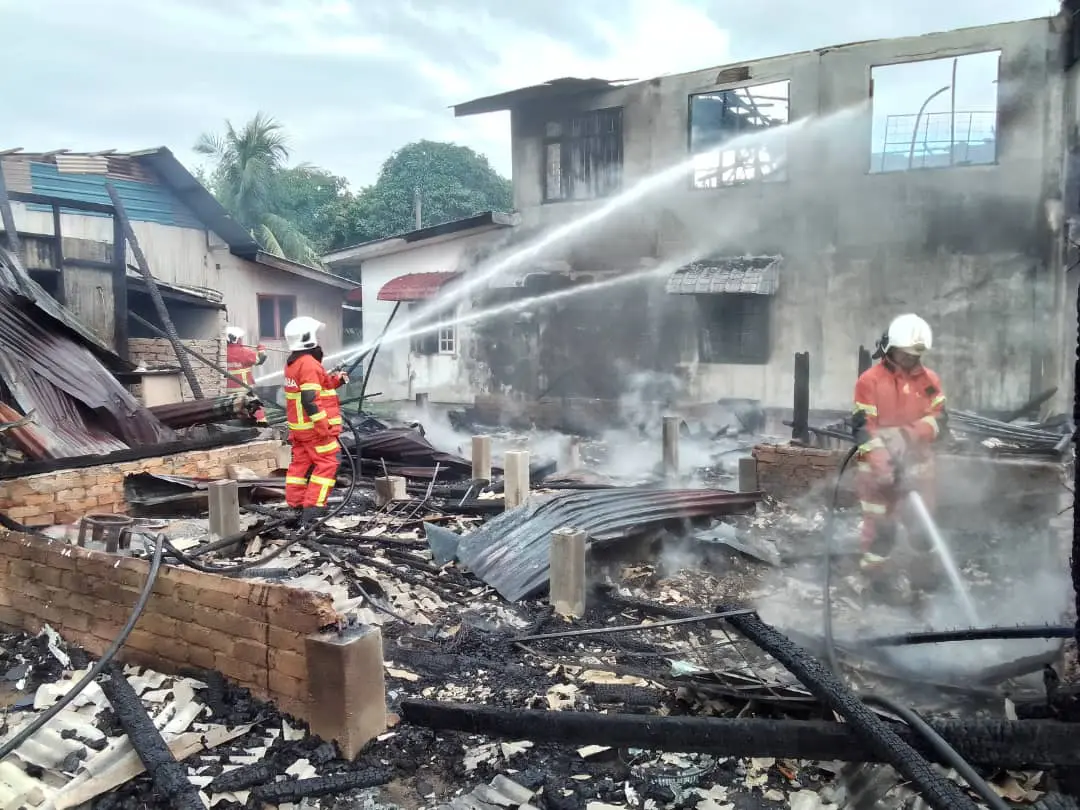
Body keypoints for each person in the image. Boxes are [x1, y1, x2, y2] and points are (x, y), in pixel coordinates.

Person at [851, 313, 947, 592]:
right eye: (906, 355)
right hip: (879, 472)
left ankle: (923, 582)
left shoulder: (929, 381)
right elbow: (863, 430)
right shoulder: (869, 381)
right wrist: (884, 466)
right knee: (882, 530)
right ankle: (875, 580)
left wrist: (908, 433)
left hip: (918, 469)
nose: (912, 361)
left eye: (917, 355)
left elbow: (940, 420)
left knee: (922, 529)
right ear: (890, 349)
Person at [282, 317, 340, 523]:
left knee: (299, 467)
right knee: (327, 465)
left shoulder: (294, 362)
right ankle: (314, 510)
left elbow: (316, 388)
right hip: (315, 430)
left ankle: (295, 507)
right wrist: (324, 426)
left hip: (299, 429)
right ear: (308, 338)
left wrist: (336, 380)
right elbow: (309, 400)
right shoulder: (308, 364)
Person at [225, 326, 268, 423]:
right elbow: (261, 360)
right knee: (257, 410)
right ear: (237, 339)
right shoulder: (245, 352)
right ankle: (263, 427)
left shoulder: (223, 352)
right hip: (244, 389)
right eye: (240, 338)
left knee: (236, 412)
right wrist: (261, 349)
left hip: (227, 391)